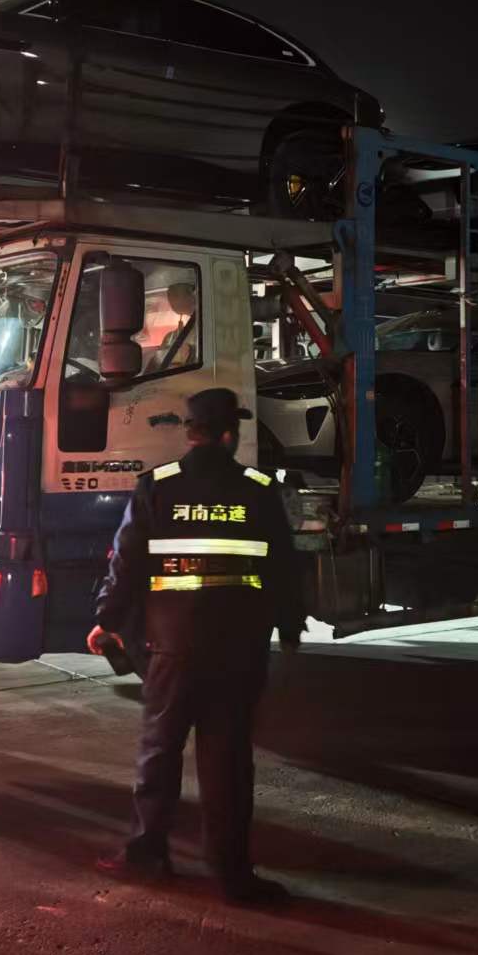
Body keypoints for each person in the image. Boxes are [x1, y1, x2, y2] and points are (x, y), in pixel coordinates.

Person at [89, 387, 305, 906]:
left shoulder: (157, 486)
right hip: (239, 650)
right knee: (228, 761)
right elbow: (284, 567)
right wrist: (290, 627)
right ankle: (232, 875)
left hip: (172, 647)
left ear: (190, 432)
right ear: (230, 434)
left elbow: (126, 561)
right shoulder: (258, 490)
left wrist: (106, 621)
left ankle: (147, 855)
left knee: (159, 751)